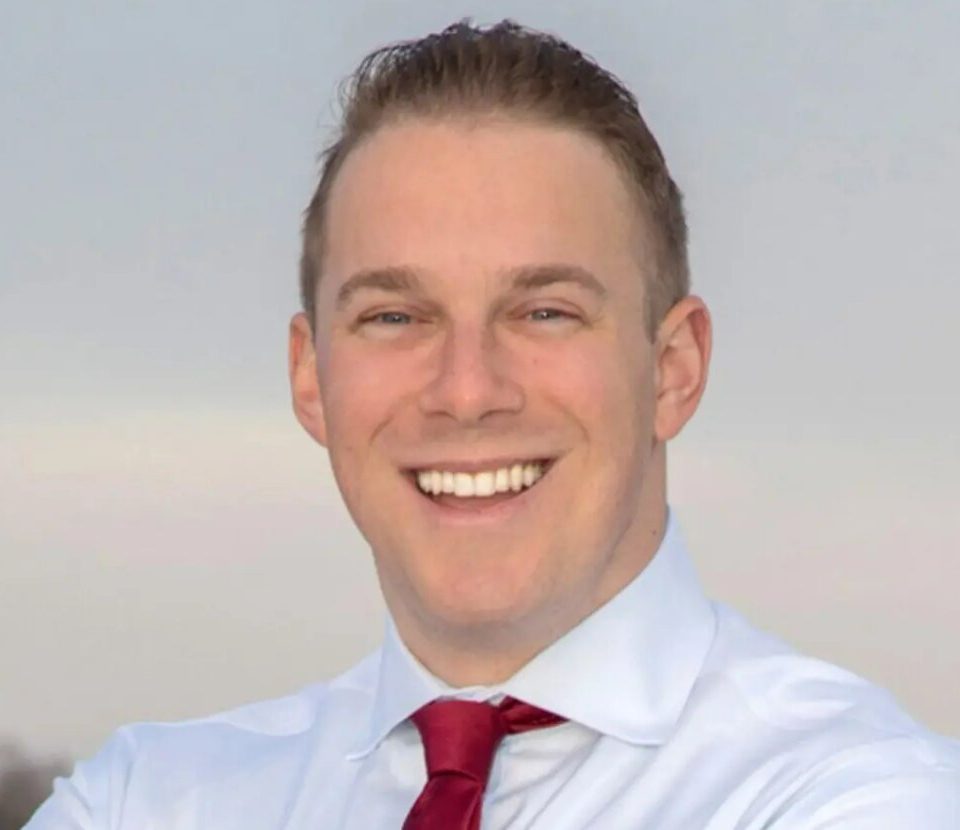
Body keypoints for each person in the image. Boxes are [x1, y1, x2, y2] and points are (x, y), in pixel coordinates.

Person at [26, 18, 960, 829]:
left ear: (673, 370)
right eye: (396, 316)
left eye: (544, 311)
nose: (467, 389)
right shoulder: (146, 801)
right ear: (311, 379)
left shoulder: (859, 797)